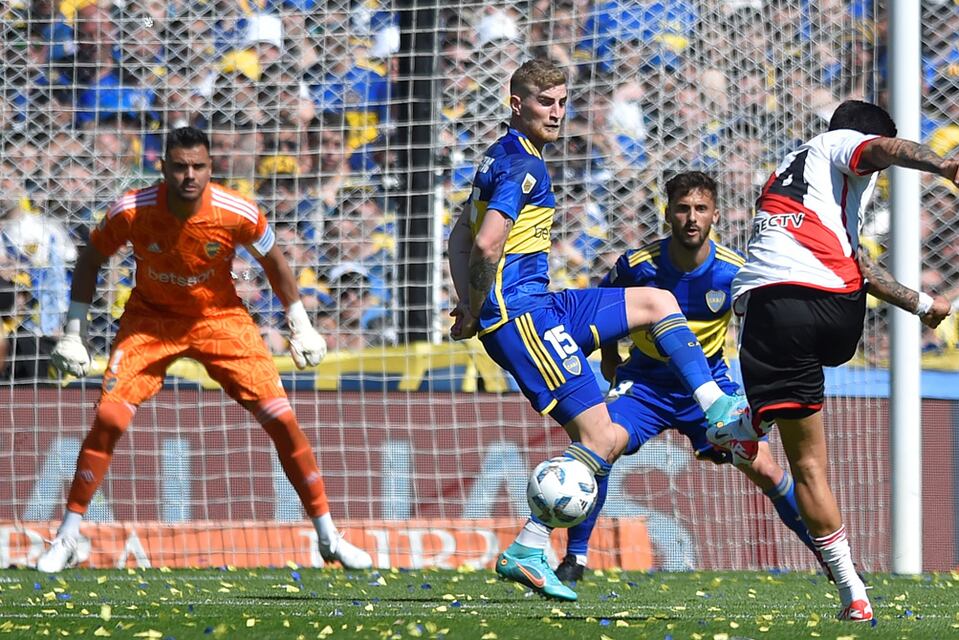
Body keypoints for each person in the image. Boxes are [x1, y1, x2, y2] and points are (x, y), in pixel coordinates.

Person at [447, 59, 746, 601]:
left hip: (544, 303)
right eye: (545, 103)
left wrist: (469, 305)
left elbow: (457, 238)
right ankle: (530, 545)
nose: (557, 113)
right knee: (601, 438)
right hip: (522, 316)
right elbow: (487, 243)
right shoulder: (522, 168)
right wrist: (484, 306)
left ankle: (713, 403)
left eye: (562, 102)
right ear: (517, 104)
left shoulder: (502, 157)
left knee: (656, 302)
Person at [36, 126, 372, 573]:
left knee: (283, 420)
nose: (188, 176)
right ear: (163, 168)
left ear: (210, 168)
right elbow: (91, 258)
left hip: (221, 320)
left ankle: (329, 536)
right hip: (150, 321)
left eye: (197, 167)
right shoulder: (131, 210)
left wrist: (300, 324)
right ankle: (68, 538)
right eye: (179, 167)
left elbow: (274, 261)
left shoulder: (237, 211)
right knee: (109, 418)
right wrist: (74, 331)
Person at [710, 100, 959, 621]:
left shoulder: (795, 181)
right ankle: (747, 423)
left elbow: (859, 264)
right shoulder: (837, 145)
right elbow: (884, 149)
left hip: (774, 312)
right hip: (833, 312)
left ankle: (853, 590)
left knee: (808, 469)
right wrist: (946, 164)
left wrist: (922, 304)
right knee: (808, 447)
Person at [554, 171, 826, 584]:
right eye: (682, 208)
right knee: (598, 444)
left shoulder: (734, 272)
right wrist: (609, 355)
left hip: (709, 389)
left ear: (715, 214)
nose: (691, 218)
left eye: (700, 208)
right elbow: (599, 306)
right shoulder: (637, 265)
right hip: (646, 385)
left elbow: (764, 327)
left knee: (767, 468)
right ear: (668, 214)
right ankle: (575, 560)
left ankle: (827, 556)